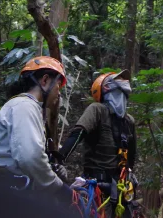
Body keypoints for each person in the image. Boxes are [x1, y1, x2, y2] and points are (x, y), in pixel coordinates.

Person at [0, 56, 72, 200]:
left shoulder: (27, 107)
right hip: (12, 194)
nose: (58, 94)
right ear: (45, 80)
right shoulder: (24, 106)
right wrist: (57, 186)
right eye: (58, 87)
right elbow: (31, 157)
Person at [57, 70, 138, 217]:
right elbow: (79, 133)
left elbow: (131, 155)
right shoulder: (98, 110)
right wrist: (59, 159)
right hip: (97, 185)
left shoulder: (128, 121)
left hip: (119, 187)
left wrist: (129, 175)